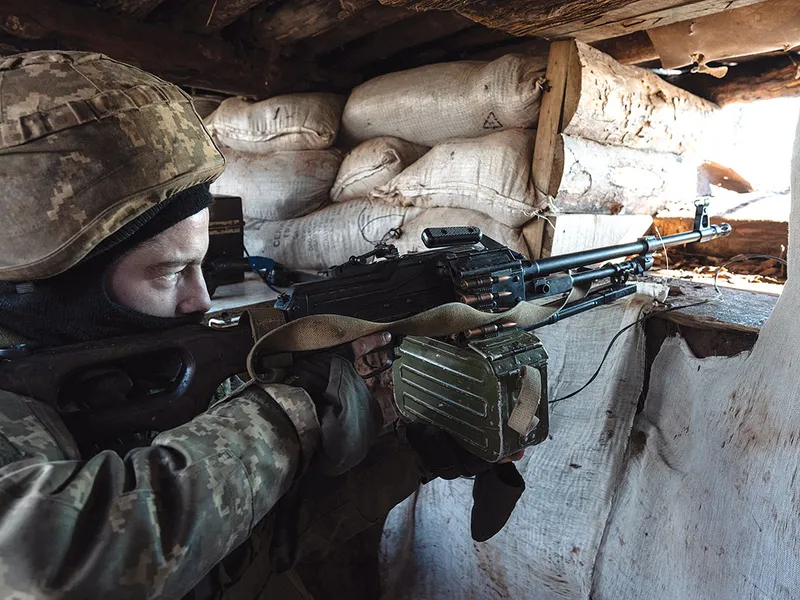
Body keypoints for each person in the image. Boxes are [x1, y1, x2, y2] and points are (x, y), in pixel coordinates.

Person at [0, 51, 520, 599]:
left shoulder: (105, 384)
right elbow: (43, 569)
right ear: (51, 287)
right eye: (170, 271)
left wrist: (416, 456)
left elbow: (236, 558)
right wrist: (283, 414)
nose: (200, 300)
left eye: (201, 264)